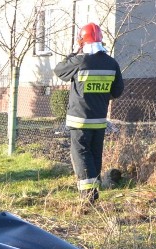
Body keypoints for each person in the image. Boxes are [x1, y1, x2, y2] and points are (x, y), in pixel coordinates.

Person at [54, 23, 124, 205]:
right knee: (94, 154)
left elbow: (59, 70)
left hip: (79, 120)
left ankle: (88, 195)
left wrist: (74, 53)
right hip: (99, 120)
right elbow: (117, 92)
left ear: (82, 41)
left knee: (81, 154)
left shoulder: (80, 61)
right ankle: (94, 189)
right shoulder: (111, 63)